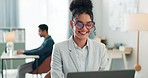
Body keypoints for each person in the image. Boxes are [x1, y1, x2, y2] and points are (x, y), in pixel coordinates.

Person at [50, 0, 108, 78]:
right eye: (79, 24)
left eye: (88, 24)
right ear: (72, 24)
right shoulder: (59, 48)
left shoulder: (101, 48)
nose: (84, 29)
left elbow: (104, 76)